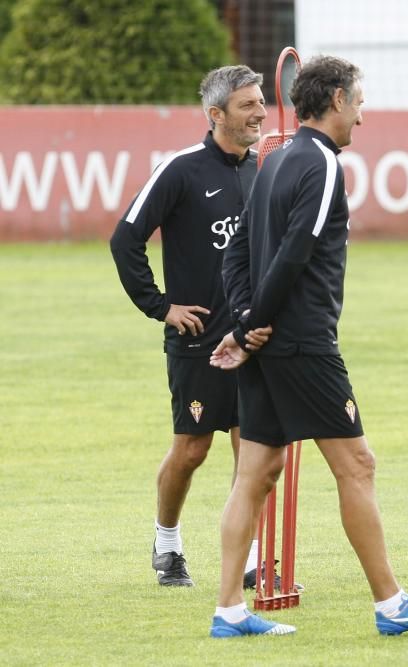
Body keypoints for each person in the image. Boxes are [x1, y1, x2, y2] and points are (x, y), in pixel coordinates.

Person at [207, 55, 408, 638]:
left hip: (272, 340)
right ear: (339, 100)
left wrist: (247, 321)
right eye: (360, 102)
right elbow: (293, 253)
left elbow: (238, 250)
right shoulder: (322, 165)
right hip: (302, 344)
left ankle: (228, 611)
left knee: (256, 471)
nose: (363, 116)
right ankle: (393, 606)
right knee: (357, 464)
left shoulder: (273, 161)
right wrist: (254, 325)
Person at [111, 65, 278, 589]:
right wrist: (161, 307)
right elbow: (126, 238)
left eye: (260, 102)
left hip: (254, 337)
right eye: (247, 105)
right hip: (198, 341)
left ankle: (249, 559)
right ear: (216, 114)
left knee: (251, 450)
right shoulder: (180, 169)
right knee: (192, 449)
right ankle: (166, 542)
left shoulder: (264, 170)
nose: (260, 113)